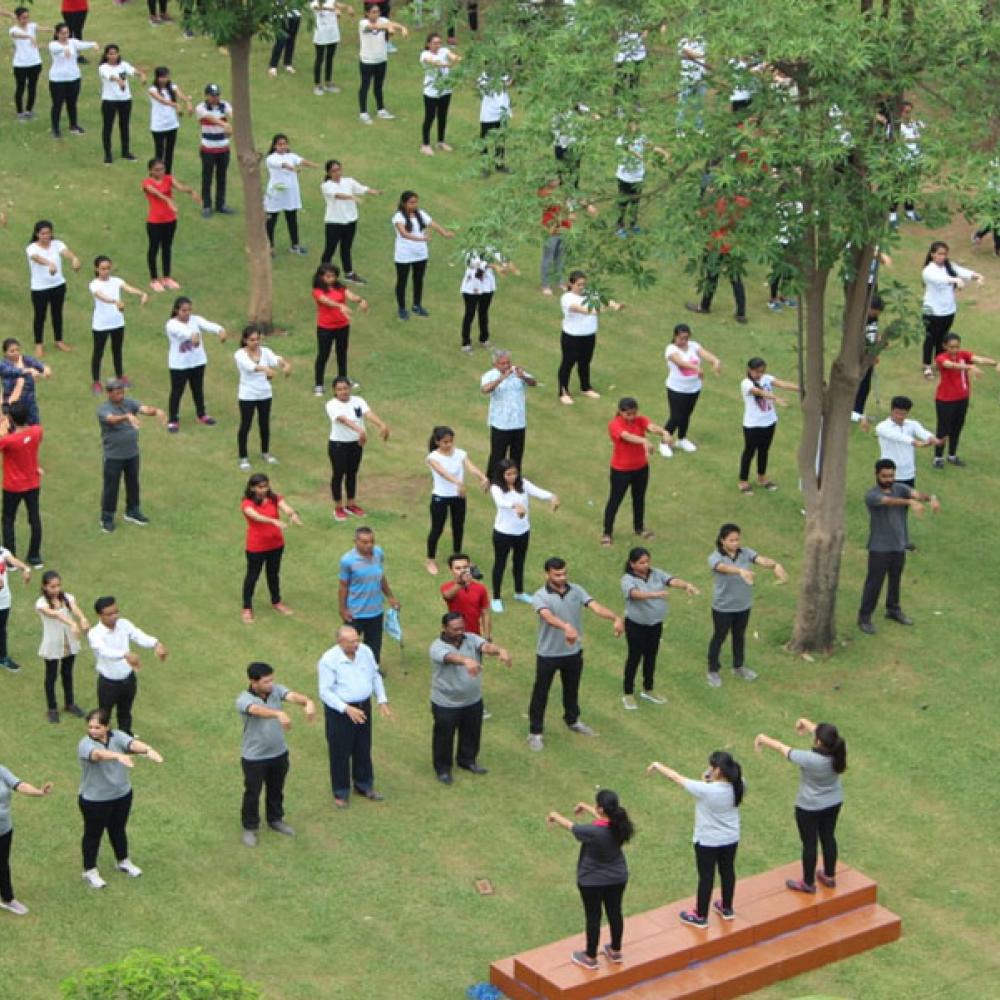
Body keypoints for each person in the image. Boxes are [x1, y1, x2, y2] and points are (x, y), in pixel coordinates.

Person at [527, 556, 623, 751]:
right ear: (547, 574)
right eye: (557, 575)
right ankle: (535, 732)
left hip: (572, 652)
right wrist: (566, 627)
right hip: (548, 654)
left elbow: (595, 606)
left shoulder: (576, 590)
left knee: (572, 689)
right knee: (541, 693)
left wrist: (615, 617)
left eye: (564, 573)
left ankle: (572, 720)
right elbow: (547, 616)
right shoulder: (540, 596)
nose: (562, 578)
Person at [647, 753, 745, 927]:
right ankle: (727, 908)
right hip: (731, 838)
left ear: (718, 770)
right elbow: (715, 786)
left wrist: (657, 764)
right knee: (727, 871)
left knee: (706, 877)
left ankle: (700, 916)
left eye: (711, 767)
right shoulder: (739, 785)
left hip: (708, 841)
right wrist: (708, 780)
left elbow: (676, 777)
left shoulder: (706, 790)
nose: (709, 769)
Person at [755, 718, 847, 893]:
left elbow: (783, 748)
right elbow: (823, 735)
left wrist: (762, 738)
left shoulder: (809, 759)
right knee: (828, 837)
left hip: (809, 807)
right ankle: (829, 876)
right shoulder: (840, 749)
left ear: (819, 741)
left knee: (809, 844)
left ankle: (808, 883)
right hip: (833, 802)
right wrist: (806, 723)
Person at [546, 790, 633, 971]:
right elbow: (604, 818)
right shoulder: (620, 825)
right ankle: (615, 951)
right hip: (617, 877)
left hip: (592, 881)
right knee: (615, 912)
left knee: (593, 917)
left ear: (601, 808)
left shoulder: (593, 832)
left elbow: (571, 826)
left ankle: (590, 956)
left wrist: (554, 815)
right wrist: (585, 806)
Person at [77, 708, 163, 889]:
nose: (92, 731)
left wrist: (147, 750)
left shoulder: (117, 736)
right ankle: (89, 870)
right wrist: (117, 755)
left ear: (107, 727)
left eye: (97, 727)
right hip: (95, 800)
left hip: (121, 795)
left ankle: (123, 861)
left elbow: (131, 744)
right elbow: (97, 755)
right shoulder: (85, 744)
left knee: (118, 830)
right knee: (93, 835)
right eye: (90, 727)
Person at [236, 661, 316, 847]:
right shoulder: (244, 700)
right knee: (252, 792)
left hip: (279, 753)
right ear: (253, 682)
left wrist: (308, 702)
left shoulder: (276, 691)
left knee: (276, 789)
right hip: (254, 757)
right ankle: (250, 827)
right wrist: (278, 714)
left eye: (271, 680)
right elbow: (256, 710)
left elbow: (292, 696)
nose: (270, 685)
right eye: (266, 682)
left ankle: (275, 819)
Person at [858, 459, 940, 634]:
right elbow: (888, 501)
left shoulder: (901, 489)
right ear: (876, 475)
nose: (888, 479)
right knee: (874, 583)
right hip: (879, 547)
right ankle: (864, 617)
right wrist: (909, 503)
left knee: (895, 579)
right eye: (885, 476)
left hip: (898, 545)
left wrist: (931, 498)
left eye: (891, 475)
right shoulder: (872, 495)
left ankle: (893, 609)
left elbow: (917, 495)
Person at [429, 611, 510, 783]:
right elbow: (449, 657)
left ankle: (467, 760)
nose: (459, 632)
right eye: (455, 629)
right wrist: (466, 661)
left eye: (461, 628)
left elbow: (486, 647)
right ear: (444, 628)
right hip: (446, 703)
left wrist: (500, 650)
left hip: (472, 700)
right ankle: (443, 769)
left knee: (472, 733)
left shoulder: (471, 638)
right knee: (444, 738)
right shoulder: (437, 646)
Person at [317, 625, 394, 808]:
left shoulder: (365, 651)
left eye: (357, 640)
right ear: (340, 642)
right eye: (352, 642)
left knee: (363, 747)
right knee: (340, 752)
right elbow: (325, 692)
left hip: (363, 706)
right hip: (340, 712)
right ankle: (341, 791)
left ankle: (364, 785)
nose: (356, 644)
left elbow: (375, 675)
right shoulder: (329, 660)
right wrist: (346, 709)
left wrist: (382, 700)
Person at [707, 522, 787, 687]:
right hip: (723, 607)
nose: (735, 543)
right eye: (731, 540)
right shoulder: (715, 557)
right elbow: (721, 567)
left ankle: (738, 666)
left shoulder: (746, 553)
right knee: (719, 636)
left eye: (737, 540)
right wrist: (740, 571)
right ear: (722, 541)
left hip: (743, 605)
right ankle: (713, 670)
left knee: (739, 636)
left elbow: (761, 560)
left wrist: (775, 565)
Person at [620, 547, 699, 710]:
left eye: (647, 561)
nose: (646, 565)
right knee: (634, 658)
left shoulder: (656, 573)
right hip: (636, 625)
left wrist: (686, 585)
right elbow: (634, 594)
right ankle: (628, 693)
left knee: (651, 656)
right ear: (632, 564)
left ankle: (648, 689)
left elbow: (671, 580)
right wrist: (655, 594)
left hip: (655, 624)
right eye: (641, 562)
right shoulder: (627, 579)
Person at [88, 596, 167, 734]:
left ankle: (125, 737)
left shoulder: (123, 624)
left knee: (125, 711)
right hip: (108, 683)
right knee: (104, 714)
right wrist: (125, 654)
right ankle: (103, 740)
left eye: (116, 612)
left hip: (128, 678)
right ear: (99, 615)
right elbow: (104, 651)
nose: (114, 616)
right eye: (109, 614)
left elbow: (138, 635)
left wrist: (156, 643)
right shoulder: (95, 634)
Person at [97, 379, 166, 534]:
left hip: (132, 453)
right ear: (109, 393)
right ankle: (107, 518)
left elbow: (144, 409)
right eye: (117, 393)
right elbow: (111, 420)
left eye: (122, 392)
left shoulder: (129, 403)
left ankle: (133, 510)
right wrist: (127, 417)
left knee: (133, 483)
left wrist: (156, 411)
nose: (120, 396)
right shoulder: (103, 409)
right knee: (111, 487)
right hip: (113, 456)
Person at [489, 459, 558, 614]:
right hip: (503, 533)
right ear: (502, 474)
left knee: (519, 562)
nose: (512, 476)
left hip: (522, 531)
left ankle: (519, 592)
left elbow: (538, 492)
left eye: (514, 473)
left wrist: (551, 496)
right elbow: (500, 502)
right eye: (508, 474)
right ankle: (496, 598)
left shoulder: (523, 484)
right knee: (500, 564)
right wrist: (514, 506)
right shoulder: (496, 487)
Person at [602, 397, 672, 546]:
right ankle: (607, 532)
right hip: (621, 470)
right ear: (621, 412)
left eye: (634, 413)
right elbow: (626, 436)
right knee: (615, 500)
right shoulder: (615, 424)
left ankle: (639, 527)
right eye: (628, 414)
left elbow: (651, 427)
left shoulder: (640, 420)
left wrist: (664, 432)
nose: (632, 417)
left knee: (639, 498)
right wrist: (644, 441)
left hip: (640, 467)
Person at [875, 395, 940, 549]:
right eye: (897, 413)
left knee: (902, 509)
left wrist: (932, 438)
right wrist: (914, 442)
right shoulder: (882, 427)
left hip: (908, 473)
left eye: (903, 413)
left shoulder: (912, 424)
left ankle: (900, 539)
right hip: (889, 475)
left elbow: (922, 432)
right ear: (891, 410)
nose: (900, 416)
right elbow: (898, 437)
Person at [425, 425, 488, 576]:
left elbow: (471, 467)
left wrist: (482, 477)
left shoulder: (460, 453)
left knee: (458, 527)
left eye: (451, 441)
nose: (449, 445)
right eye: (445, 442)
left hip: (458, 498)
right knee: (437, 528)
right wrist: (458, 483)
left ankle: (458, 556)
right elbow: (442, 473)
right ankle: (430, 559)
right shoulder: (433, 457)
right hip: (440, 497)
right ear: (437, 442)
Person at [325, 377, 389, 521]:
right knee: (338, 474)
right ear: (335, 391)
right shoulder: (331, 404)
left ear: (350, 388)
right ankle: (338, 507)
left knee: (352, 473)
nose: (343, 392)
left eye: (345, 388)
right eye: (339, 389)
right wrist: (360, 430)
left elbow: (368, 414)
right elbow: (343, 420)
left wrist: (381, 424)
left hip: (356, 444)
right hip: (338, 444)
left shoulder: (358, 401)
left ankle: (351, 504)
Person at [932, 333, 999, 469]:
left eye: (957, 346)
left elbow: (978, 359)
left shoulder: (964, 355)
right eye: (951, 347)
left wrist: (996, 362)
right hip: (945, 400)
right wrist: (969, 367)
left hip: (962, 398)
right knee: (943, 429)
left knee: (957, 427)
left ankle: (952, 455)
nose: (955, 350)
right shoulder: (941, 358)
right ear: (944, 346)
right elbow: (950, 365)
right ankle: (938, 457)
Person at [241, 473, 301, 623]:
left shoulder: (274, 498)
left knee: (273, 574)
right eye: (260, 487)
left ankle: (276, 602)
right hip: (256, 547)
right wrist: (273, 521)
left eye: (266, 486)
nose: (264, 489)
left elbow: (285, 507)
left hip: (275, 544)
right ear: (252, 488)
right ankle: (247, 607)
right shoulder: (247, 503)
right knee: (252, 576)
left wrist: (292, 514)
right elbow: (254, 516)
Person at [558, 271, 624, 405]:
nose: (582, 287)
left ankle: (585, 387)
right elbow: (583, 310)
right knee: (568, 363)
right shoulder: (567, 298)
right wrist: (599, 310)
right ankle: (563, 391)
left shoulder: (589, 293)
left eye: (583, 284)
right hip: (572, 336)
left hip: (588, 335)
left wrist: (615, 305)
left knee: (585, 362)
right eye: (579, 284)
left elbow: (604, 299)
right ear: (571, 284)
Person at [920, 241, 983, 379]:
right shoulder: (928, 271)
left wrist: (976, 276)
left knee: (942, 338)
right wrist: (955, 280)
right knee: (931, 338)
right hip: (932, 311)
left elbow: (962, 271)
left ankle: (940, 362)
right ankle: (927, 366)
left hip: (948, 310)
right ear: (932, 255)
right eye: (940, 254)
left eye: (945, 254)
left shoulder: (948, 266)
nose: (942, 257)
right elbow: (940, 279)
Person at [164, 296, 227, 432]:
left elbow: (208, 325)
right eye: (184, 311)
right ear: (177, 310)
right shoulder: (171, 324)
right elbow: (182, 332)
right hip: (179, 365)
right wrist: (192, 335)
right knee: (177, 392)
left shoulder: (195, 320)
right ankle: (173, 420)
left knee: (198, 389)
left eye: (189, 310)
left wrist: (220, 330)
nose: (187, 313)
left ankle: (202, 414)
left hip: (198, 362)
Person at [338, 526, 399, 665]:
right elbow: (343, 586)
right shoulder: (347, 561)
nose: (369, 545)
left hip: (375, 611)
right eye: (365, 542)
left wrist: (390, 596)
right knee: (349, 644)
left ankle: (373, 670)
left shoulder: (378, 553)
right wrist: (343, 609)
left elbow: (380, 576)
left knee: (374, 646)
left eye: (372, 541)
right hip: (355, 613)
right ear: (356, 541)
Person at [738, 356, 798, 494]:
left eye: (762, 371)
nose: (760, 374)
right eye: (757, 372)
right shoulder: (746, 383)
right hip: (753, 425)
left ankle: (762, 477)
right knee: (749, 452)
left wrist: (800, 388)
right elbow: (758, 392)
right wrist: (776, 398)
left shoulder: (766, 378)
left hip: (769, 422)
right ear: (749, 370)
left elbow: (782, 384)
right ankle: (743, 481)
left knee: (764, 451)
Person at [0, 760, 53, 916]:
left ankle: (8, 899)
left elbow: (20, 785)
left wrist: (39, 792)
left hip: (3, 829)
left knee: (2, 864)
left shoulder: (1, 770)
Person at [36, 570, 89, 723]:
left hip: (69, 642)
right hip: (53, 644)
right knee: (51, 676)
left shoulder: (67, 598)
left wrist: (83, 618)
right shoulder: (41, 603)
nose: (56, 589)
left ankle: (69, 703)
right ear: (45, 587)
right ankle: (52, 708)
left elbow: (74, 608)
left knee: (67, 673)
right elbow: (56, 615)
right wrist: (73, 623)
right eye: (52, 586)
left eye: (58, 585)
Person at [235, 325, 291, 471]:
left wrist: (284, 364)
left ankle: (265, 452)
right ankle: (243, 457)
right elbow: (249, 366)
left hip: (264, 393)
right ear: (245, 340)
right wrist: (265, 369)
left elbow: (275, 359)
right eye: (252, 340)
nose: (256, 342)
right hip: (247, 395)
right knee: (246, 425)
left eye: (258, 339)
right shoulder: (240, 354)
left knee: (264, 424)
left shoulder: (265, 352)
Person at [392, 190, 454, 320]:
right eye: (411, 202)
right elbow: (404, 234)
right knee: (402, 281)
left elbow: (433, 224)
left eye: (415, 202)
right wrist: (422, 239)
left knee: (418, 280)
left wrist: (444, 233)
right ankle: (402, 308)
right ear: (404, 203)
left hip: (420, 254)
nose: (414, 205)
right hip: (404, 254)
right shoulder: (399, 217)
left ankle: (417, 305)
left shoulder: (420, 214)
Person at [89, 255, 147, 393]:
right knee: (98, 352)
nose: (106, 271)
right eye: (103, 268)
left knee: (117, 350)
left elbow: (128, 288)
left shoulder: (116, 281)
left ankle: (120, 376)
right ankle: (96, 381)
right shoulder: (94, 284)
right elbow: (100, 296)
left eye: (108, 268)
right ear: (97, 269)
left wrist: (141, 293)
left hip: (117, 322)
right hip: (101, 324)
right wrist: (115, 301)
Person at [142, 158, 201, 293]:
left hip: (170, 220)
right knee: (154, 248)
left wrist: (191, 191)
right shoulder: (147, 182)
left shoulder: (169, 179)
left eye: (162, 169)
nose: (160, 172)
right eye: (157, 170)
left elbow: (180, 187)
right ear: (150, 171)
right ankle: (154, 279)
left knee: (167, 248)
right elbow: (155, 192)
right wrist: (168, 199)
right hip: (154, 222)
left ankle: (167, 277)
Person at [664, 323, 721, 456]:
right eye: (681, 338)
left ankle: (682, 439)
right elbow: (680, 363)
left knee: (686, 415)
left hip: (693, 388)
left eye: (686, 338)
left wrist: (715, 361)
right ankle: (664, 442)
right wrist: (696, 368)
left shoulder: (694, 346)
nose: (684, 341)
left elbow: (706, 354)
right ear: (675, 336)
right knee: (676, 416)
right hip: (677, 388)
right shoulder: (671, 349)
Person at [320, 159, 381, 282]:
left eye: (339, 169)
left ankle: (349, 273)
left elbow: (361, 188)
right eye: (334, 171)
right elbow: (337, 195)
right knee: (330, 248)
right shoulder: (326, 186)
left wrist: (373, 191)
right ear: (328, 173)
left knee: (346, 248)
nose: (337, 173)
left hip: (350, 220)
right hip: (334, 222)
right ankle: (322, 274)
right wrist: (351, 196)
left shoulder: (348, 181)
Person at [25, 219, 80, 355]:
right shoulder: (32, 247)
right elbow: (36, 257)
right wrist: (49, 263)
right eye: (43, 233)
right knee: (40, 316)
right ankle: (39, 344)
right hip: (40, 289)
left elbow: (66, 252)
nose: (46, 236)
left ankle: (59, 341)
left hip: (58, 285)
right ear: (37, 234)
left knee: (57, 314)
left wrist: (74, 258)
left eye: (48, 233)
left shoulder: (57, 244)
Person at [312, 264, 368, 392]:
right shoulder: (317, 291)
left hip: (342, 325)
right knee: (323, 354)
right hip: (325, 327)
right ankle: (319, 384)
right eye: (328, 276)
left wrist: (361, 300)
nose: (331, 279)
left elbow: (351, 295)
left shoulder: (340, 287)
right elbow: (325, 300)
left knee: (342, 353)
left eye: (333, 276)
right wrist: (340, 306)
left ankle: (343, 379)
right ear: (321, 277)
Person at [0, 401, 43, 569]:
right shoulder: (37, 431)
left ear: (10, 418)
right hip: (33, 483)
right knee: (34, 519)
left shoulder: (9, 441)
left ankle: (11, 560)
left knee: (8, 520)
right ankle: (35, 556)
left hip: (13, 486)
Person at [481, 349, 537, 478]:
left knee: (517, 454)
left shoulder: (517, 372)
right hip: (500, 423)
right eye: (502, 363)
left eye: (508, 362)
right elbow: (485, 389)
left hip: (518, 422)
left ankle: (515, 478)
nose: (506, 366)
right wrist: (500, 379)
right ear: (495, 364)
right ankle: (493, 479)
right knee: (497, 454)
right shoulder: (490, 375)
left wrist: (523, 376)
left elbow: (533, 383)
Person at [264, 133, 318, 255]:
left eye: (285, 144)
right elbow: (283, 165)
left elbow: (301, 161)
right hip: (276, 193)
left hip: (290, 194)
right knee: (271, 220)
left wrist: (314, 165)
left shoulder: (292, 156)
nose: (282, 146)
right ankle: (269, 247)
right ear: (274, 146)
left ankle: (295, 245)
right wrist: (292, 169)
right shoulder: (271, 158)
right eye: (280, 144)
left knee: (292, 219)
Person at [357, 4, 408, 124]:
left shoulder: (383, 20)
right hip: (367, 60)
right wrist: (388, 27)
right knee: (365, 86)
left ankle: (381, 109)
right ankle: (363, 112)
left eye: (378, 12)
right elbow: (374, 26)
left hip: (381, 59)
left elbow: (391, 24)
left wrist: (402, 28)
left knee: (378, 86)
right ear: (367, 13)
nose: (376, 14)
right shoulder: (363, 23)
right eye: (373, 12)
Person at [459, 250, 517, 354]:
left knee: (483, 312)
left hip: (486, 286)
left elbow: (499, 255)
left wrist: (508, 264)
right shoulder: (469, 248)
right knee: (470, 313)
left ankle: (484, 339)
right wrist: (495, 266)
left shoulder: (490, 246)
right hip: (471, 287)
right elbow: (474, 263)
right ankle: (466, 343)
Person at [47, 22, 98, 137]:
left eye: (67, 33)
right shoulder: (53, 44)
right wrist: (64, 49)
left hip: (74, 78)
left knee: (72, 103)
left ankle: (73, 125)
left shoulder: (73, 42)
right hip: (57, 80)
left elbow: (82, 44)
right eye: (63, 33)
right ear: (57, 33)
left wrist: (93, 44)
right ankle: (55, 128)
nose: (65, 35)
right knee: (57, 104)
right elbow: (57, 48)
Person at [98, 44, 144, 164]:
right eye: (110, 53)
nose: (113, 56)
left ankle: (126, 151)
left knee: (125, 126)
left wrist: (141, 75)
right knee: (108, 127)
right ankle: (108, 154)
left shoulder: (123, 65)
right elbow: (111, 77)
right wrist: (119, 81)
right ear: (106, 55)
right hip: (109, 101)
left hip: (125, 100)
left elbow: (133, 71)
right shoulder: (103, 67)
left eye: (115, 53)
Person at [196, 83, 234, 217]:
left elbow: (233, 114)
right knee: (207, 177)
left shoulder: (225, 105)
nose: (215, 98)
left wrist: (232, 127)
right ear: (207, 96)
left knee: (221, 177)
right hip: (208, 149)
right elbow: (209, 118)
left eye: (217, 95)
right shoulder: (201, 108)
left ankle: (220, 204)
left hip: (223, 148)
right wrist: (225, 124)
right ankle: (207, 205)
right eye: (212, 95)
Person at [419, 33, 460, 155]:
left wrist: (457, 59)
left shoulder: (444, 50)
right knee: (430, 117)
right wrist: (448, 64)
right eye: (435, 43)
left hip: (445, 90)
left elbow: (453, 56)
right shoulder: (425, 54)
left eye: (439, 42)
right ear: (428, 44)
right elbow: (433, 62)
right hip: (431, 92)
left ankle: (441, 141)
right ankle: (425, 144)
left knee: (443, 116)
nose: (438, 45)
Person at [147, 66, 192, 175]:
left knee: (169, 152)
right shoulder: (152, 90)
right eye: (161, 77)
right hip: (158, 126)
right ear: (157, 78)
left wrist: (187, 102)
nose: (164, 80)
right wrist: (175, 105)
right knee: (159, 152)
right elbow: (161, 100)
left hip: (172, 125)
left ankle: (167, 175)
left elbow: (180, 95)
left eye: (166, 77)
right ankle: (156, 174)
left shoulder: (172, 87)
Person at [0, 339, 50, 428]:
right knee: (12, 431)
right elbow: (13, 372)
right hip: (13, 405)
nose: (16, 353)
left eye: (17, 350)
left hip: (30, 402)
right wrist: (29, 370)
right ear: (5, 353)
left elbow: (43, 368)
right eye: (12, 351)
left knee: (35, 429)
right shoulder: (3, 365)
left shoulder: (27, 360)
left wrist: (45, 371)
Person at [850, 294, 884, 423]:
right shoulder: (860, 319)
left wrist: (877, 341)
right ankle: (852, 412)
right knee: (858, 385)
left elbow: (873, 333)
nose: (876, 316)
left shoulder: (874, 319)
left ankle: (858, 412)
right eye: (875, 312)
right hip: (859, 358)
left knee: (865, 386)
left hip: (869, 357)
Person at [440, 553, 490, 638]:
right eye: (458, 568)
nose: (462, 571)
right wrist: (461, 583)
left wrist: (487, 635)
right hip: (454, 635)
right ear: (451, 569)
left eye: (465, 567)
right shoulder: (447, 587)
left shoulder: (480, 588)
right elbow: (448, 596)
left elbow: (485, 613)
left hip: (474, 635)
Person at [9, 7, 46, 121]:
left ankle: (29, 111)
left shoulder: (32, 26)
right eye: (23, 18)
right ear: (18, 18)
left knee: (32, 87)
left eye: (27, 17)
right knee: (20, 88)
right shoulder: (13, 30)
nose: (26, 20)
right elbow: (17, 35)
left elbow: (41, 28)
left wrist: (54, 30)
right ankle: (20, 112)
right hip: (20, 64)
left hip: (35, 63)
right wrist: (29, 36)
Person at [0, 546, 30, 673]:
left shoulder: (1, 551)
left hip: (4, 600)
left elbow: (12, 560)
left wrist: (25, 568)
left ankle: (2, 657)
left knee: (1, 628)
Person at [310, 0, 348, 96]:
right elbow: (317, 7)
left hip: (332, 34)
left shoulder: (332, 1)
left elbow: (338, 4)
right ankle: (317, 85)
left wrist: (347, 7)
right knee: (319, 59)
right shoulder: (315, 2)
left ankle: (328, 83)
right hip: (321, 34)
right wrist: (332, 9)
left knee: (330, 58)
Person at [478, 71, 510, 173]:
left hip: (501, 112)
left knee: (500, 139)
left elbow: (508, 83)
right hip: (488, 113)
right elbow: (483, 88)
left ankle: (499, 164)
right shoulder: (484, 76)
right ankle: (484, 167)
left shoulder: (503, 74)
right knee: (485, 140)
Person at [267, 9, 301, 77]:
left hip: (295, 14)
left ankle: (288, 63)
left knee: (291, 40)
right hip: (280, 16)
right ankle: (273, 66)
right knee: (280, 41)